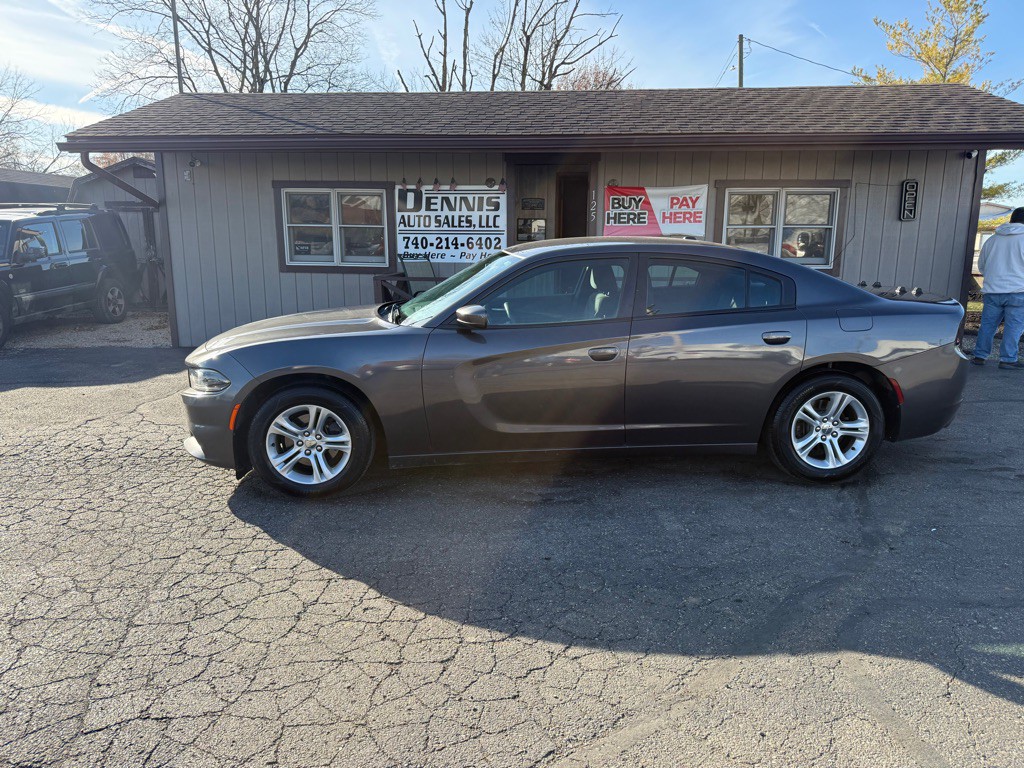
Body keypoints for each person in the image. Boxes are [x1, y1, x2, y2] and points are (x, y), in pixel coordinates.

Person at [973, 207, 1024, 369]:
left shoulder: (992, 239)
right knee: (1013, 327)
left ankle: (980, 356)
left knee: (987, 325)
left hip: (992, 290)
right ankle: (1008, 359)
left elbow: (982, 265)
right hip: (1019, 291)